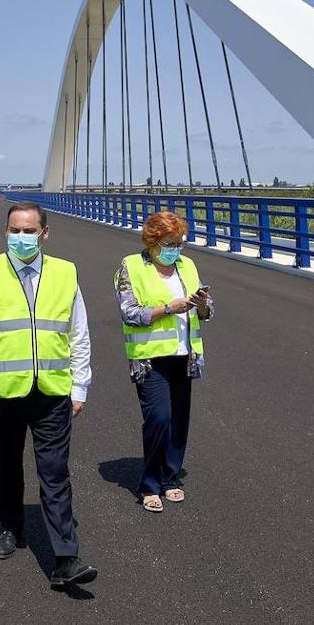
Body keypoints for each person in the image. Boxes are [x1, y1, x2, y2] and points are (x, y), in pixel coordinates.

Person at [0, 201, 98, 591]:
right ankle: (10, 526)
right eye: (15, 230)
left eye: (29, 230)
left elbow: (77, 332)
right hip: (0, 394)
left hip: (52, 392)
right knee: (6, 464)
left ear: (44, 233)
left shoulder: (66, 273)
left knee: (55, 473)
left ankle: (66, 558)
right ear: (6, 231)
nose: (21, 237)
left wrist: (79, 385)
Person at [114, 210, 214, 513]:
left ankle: (171, 479)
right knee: (158, 418)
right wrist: (169, 308)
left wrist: (201, 306)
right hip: (150, 358)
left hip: (184, 355)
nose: (175, 249)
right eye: (170, 243)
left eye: (180, 243)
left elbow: (207, 312)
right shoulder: (131, 267)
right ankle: (150, 485)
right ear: (153, 241)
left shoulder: (187, 266)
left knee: (179, 421)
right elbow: (129, 313)